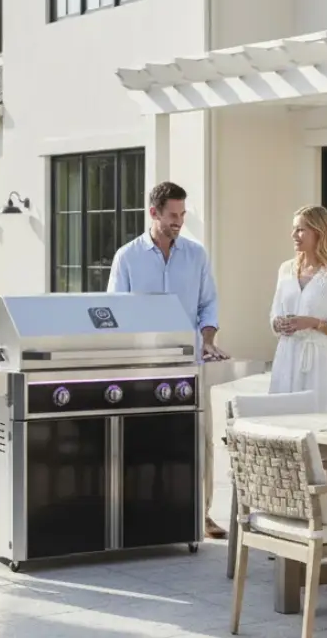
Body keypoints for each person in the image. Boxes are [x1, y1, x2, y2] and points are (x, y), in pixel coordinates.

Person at [108, 180, 231, 539]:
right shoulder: (127, 257)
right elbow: (114, 311)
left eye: (182, 214)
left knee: (199, 438)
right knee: (145, 439)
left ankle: (201, 514)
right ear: (154, 213)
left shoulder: (196, 255)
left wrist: (207, 340)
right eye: (172, 215)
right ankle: (142, 513)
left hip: (189, 364)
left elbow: (208, 303)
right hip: (142, 367)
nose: (179, 221)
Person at [268, 205, 327, 412]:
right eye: (294, 229)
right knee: (281, 417)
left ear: (319, 232)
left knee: (317, 419)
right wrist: (278, 323)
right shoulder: (285, 269)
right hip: (286, 356)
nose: (293, 235)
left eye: (300, 230)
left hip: (318, 362)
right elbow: (274, 313)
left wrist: (313, 323)